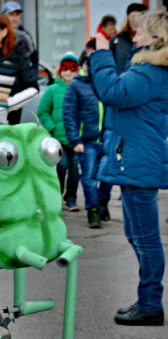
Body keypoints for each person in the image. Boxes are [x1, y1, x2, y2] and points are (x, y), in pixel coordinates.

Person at [90, 10, 168, 326]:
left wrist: (101, 55)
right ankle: (146, 301)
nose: (133, 38)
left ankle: (150, 305)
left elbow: (113, 92)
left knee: (145, 238)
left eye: (139, 33)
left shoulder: (149, 70)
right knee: (135, 233)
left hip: (137, 159)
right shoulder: (148, 68)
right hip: (135, 157)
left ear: (156, 37)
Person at [64, 50, 105, 228]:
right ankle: (94, 211)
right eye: (89, 63)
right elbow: (69, 114)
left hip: (105, 140)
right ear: (82, 65)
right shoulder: (75, 86)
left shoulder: (104, 83)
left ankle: (103, 203)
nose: (91, 67)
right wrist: (75, 140)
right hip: (85, 142)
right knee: (88, 178)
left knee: (108, 178)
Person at [37, 53, 81, 212]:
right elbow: (42, 111)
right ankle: (57, 196)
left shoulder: (80, 89)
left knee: (75, 171)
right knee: (61, 167)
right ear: (59, 69)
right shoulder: (52, 90)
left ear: (78, 69)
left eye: (72, 68)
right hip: (58, 139)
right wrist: (52, 127)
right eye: (65, 68)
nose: (68, 72)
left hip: (76, 139)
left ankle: (71, 199)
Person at [110, 3, 148, 74]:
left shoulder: (148, 40)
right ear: (128, 19)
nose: (135, 21)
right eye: (133, 17)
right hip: (120, 81)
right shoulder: (117, 39)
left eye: (138, 18)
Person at [0, 1, 37, 67]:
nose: (14, 18)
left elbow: (34, 60)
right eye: (11, 14)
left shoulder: (25, 36)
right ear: (3, 16)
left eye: (17, 15)